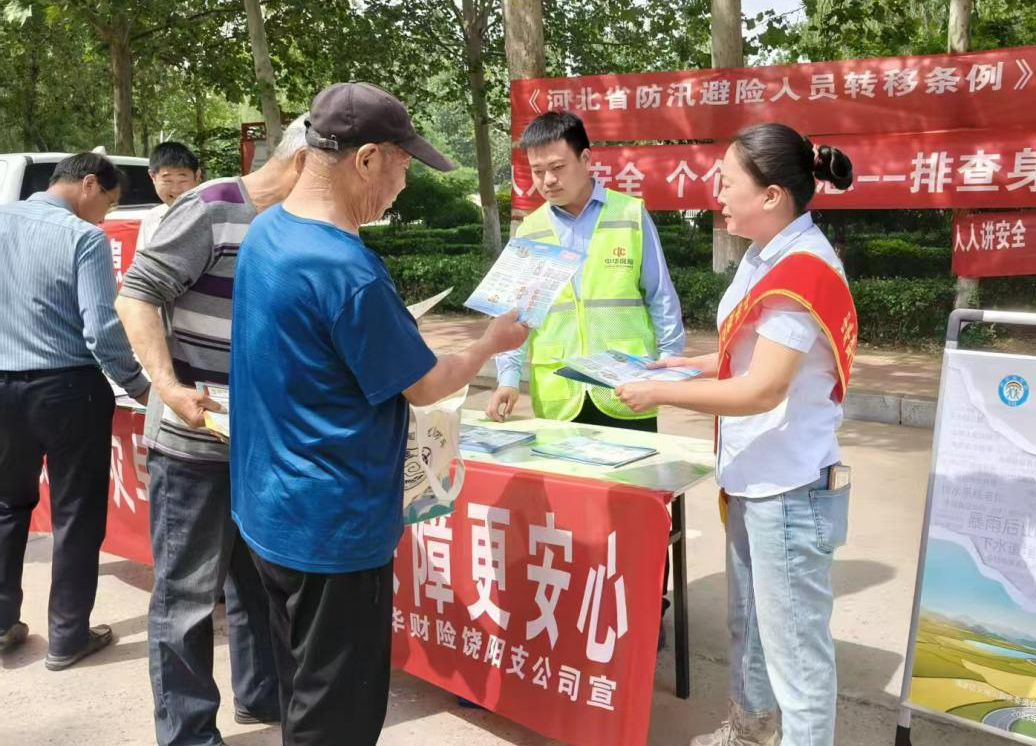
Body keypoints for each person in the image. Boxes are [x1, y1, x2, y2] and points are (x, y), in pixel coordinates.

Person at [229, 82, 529, 746]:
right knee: (337, 718)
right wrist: (489, 344)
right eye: (402, 164)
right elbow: (425, 386)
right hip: (332, 529)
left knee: (302, 688)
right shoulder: (347, 271)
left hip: (267, 507)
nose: (402, 183)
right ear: (366, 160)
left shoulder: (268, 231)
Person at [615, 123, 858, 746]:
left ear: (771, 195)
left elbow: (762, 389)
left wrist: (660, 394)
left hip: (789, 490)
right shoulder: (764, 254)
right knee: (748, 626)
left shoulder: (804, 271)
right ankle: (749, 732)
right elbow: (748, 353)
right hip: (755, 478)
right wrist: (687, 365)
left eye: (726, 183)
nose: (716, 194)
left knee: (797, 657)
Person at [114, 116, 308, 746]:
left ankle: (262, 695)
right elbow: (136, 296)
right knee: (188, 596)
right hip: (194, 441)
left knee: (261, 585)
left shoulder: (296, 224)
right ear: (305, 162)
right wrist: (167, 388)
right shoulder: (211, 207)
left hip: (262, 442)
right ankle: (188, 732)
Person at [484, 110, 685, 646]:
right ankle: (580, 610)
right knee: (569, 516)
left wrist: (670, 372)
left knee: (640, 511)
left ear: (586, 159)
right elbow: (515, 315)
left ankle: (647, 611)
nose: (547, 180)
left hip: (628, 392)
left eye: (557, 167)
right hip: (561, 395)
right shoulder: (530, 230)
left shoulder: (628, 215)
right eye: (537, 172)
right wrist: (508, 378)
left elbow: (661, 298)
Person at [0, 153, 150, 669]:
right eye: (108, 202)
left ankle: (1, 623)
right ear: (89, 184)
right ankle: (67, 637)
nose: (105, 216)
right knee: (76, 514)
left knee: (6, 505)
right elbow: (101, 328)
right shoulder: (83, 238)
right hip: (67, 390)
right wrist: (140, 386)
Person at [136, 141, 202, 252]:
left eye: (183, 180)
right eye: (167, 181)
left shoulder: (211, 216)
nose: (176, 189)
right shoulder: (152, 218)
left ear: (197, 176)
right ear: (153, 177)